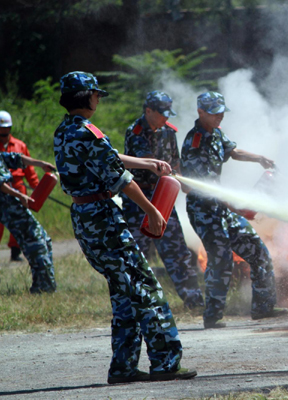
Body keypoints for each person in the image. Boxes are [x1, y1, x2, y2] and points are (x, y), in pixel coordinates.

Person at [53, 71, 196, 384]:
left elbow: (109, 158)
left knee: (123, 292)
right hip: (104, 219)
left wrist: (147, 163)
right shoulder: (89, 132)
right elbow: (121, 180)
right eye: (96, 94)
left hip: (84, 217)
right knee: (146, 288)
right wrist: (153, 210)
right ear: (86, 97)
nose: (98, 99)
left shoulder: (65, 131)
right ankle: (165, 363)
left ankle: (123, 368)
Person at [180, 91, 288, 329]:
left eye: (221, 112)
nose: (219, 116)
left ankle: (263, 307)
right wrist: (235, 205)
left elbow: (233, 152)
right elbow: (206, 187)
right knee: (220, 261)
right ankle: (213, 316)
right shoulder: (194, 143)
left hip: (222, 208)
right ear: (200, 112)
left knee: (257, 250)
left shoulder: (216, 133)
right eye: (214, 112)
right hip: (204, 211)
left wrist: (259, 158)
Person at [121, 91, 203, 310]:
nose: (166, 118)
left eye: (168, 113)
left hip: (163, 198)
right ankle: (137, 303)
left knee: (177, 250)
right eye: (162, 113)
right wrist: (161, 169)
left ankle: (194, 300)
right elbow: (145, 161)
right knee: (137, 253)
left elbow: (174, 161)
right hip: (138, 199)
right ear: (148, 111)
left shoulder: (169, 132)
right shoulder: (135, 132)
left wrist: (183, 181)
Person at [0, 147, 56, 292]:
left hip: (12, 201)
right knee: (34, 242)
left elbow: (16, 158)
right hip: (4, 204)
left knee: (44, 239)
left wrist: (41, 164)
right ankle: (42, 287)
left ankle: (48, 283)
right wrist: (20, 196)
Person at [0, 110, 40, 262]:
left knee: (20, 221)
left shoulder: (20, 145)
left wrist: (36, 189)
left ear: (10, 128)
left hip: (19, 187)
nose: (4, 131)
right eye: (1, 128)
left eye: (6, 128)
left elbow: (29, 170)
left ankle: (15, 252)